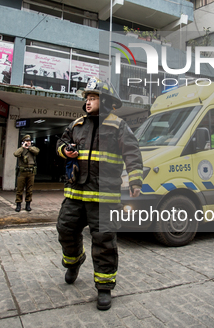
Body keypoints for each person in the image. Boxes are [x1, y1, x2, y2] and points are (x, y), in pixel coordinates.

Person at [56, 78, 143, 311]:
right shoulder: (76, 125)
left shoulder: (118, 125)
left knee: (104, 241)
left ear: (104, 101)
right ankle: (74, 262)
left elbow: (132, 153)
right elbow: (61, 142)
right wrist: (66, 150)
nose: (88, 101)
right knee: (65, 228)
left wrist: (136, 180)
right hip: (76, 193)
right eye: (87, 98)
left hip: (104, 197)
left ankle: (104, 288)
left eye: (92, 98)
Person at [13, 135, 39, 212]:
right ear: (23, 142)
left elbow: (37, 151)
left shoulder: (33, 149)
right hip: (22, 172)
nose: (28, 142)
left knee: (29, 189)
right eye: (26, 141)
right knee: (19, 189)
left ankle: (28, 204)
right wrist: (22, 147)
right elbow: (16, 154)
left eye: (29, 141)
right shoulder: (21, 150)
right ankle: (18, 204)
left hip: (31, 172)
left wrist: (29, 147)